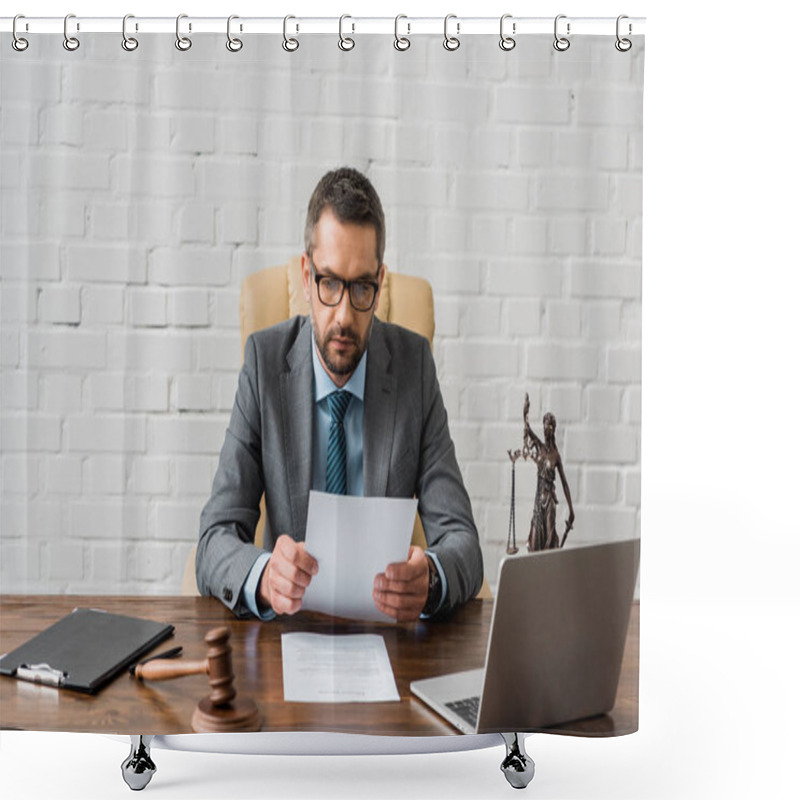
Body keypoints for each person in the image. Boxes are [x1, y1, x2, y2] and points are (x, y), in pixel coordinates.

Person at [196, 167, 483, 622]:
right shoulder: (265, 365)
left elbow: (463, 543)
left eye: (362, 287)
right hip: (287, 644)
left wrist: (430, 578)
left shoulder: (414, 369)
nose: (344, 316)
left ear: (379, 282)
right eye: (330, 283)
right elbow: (213, 540)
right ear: (307, 276)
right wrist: (266, 574)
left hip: (388, 644)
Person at [523, 397, 575, 551]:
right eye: (545, 427)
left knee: (549, 539)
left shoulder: (555, 455)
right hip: (538, 501)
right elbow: (527, 429)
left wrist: (571, 509)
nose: (547, 431)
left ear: (553, 430)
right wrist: (524, 413)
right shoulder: (539, 447)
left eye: (550, 428)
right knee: (535, 537)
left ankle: (547, 567)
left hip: (549, 500)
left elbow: (564, 483)